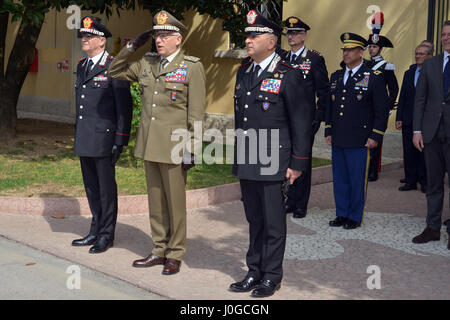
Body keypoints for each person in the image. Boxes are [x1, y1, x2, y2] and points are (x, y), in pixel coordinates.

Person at [108, 11, 206, 274]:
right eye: (156, 35)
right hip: (149, 144)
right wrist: (132, 47)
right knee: (155, 202)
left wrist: (192, 149)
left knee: (175, 204)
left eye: (164, 35)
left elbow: (196, 114)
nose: (159, 40)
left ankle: (175, 253)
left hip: (175, 147)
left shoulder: (192, 67)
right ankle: (158, 249)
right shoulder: (147, 63)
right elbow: (114, 70)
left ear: (178, 39)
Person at [228, 10, 311, 298]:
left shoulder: (289, 75)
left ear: (271, 41)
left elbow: (301, 121)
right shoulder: (244, 71)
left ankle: (272, 276)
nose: (248, 40)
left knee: (274, 222)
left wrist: (297, 163)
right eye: (247, 35)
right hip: (249, 157)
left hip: (275, 160)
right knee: (255, 220)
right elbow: (243, 119)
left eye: (254, 35)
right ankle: (254, 271)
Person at [71, 16, 133, 254]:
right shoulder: (82, 65)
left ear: (101, 40)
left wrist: (120, 140)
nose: (84, 40)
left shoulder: (114, 67)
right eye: (83, 36)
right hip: (85, 136)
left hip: (105, 138)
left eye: (88, 36)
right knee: (91, 188)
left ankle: (106, 235)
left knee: (106, 190)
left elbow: (123, 107)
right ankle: (95, 229)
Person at [325, 32, 389, 229]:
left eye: (351, 50)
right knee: (340, 179)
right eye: (344, 49)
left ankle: (354, 216)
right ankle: (342, 213)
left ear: (361, 52)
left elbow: (381, 109)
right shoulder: (336, 76)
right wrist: (328, 129)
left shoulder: (373, 77)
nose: (346, 53)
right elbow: (329, 106)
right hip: (339, 137)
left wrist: (376, 135)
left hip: (360, 138)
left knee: (356, 179)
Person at [279, 16, 330, 219]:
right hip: (284, 120)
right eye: (289, 33)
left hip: (305, 120)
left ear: (304, 35)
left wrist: (317, 118)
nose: (291, 37)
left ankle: (301, 204)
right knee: (287, 160)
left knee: (303, 162)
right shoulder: (282, 59)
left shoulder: (314, 59)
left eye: (295, 33)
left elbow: (323, 91)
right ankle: (289, 200)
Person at [412, 21, 450, 250]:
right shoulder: (430, 65)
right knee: (434, 184)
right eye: (444, 34)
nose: (446, 38)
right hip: (432, 134)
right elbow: (420, 99)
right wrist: (417, 130)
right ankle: (433, 228)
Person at [365, 12, 399, 181]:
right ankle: (363, 168)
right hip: (364, 107)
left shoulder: (386, 66)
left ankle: (373, 171)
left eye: (374, 47)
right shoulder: (363, 64)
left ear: (380, 48)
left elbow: (394, 89)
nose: (371, 49)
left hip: (378, 109)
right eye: (370, 46)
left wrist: (387, 106)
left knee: (375, 140)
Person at [396, 44, 432, 192]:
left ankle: (424, 182)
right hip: (408, 119)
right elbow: (403, 95)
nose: (418, 56)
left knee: (423, 153)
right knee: (408, 151)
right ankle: (410, 181)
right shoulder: (408, 73)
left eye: (421, 54)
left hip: (426, 120)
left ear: (429, 56)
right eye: (416, 53)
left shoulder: (433, 73)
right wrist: (399, 117)